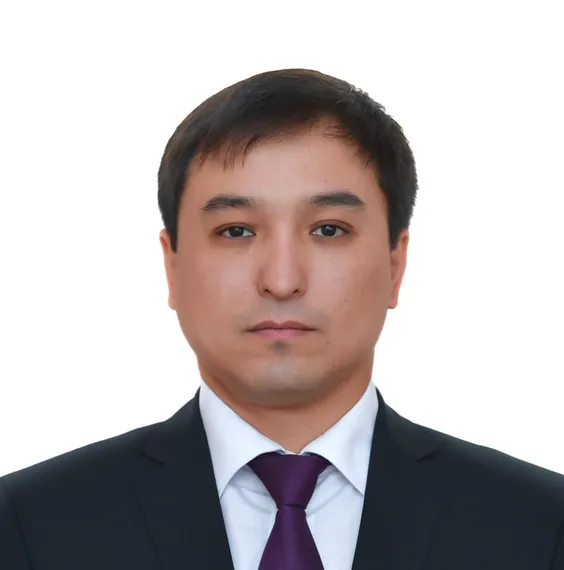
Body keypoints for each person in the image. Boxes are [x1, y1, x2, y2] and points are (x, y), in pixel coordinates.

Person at [1, 68, 563, 570]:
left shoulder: (540, 527)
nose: (282, 279)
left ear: (396, 264)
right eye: (236, 231)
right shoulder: (29, 525)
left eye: (328, 230)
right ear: (172, 266)